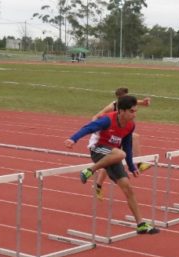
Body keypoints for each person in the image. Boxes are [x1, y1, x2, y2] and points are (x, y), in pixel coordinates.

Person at [64, 95, 159, 235]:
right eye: (131, 111)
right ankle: (90, 170)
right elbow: (88, 128)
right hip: (97, 149)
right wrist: (73, 139)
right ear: (121, 111)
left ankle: (140, 224)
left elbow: (127, 146)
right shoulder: (107, 120)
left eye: (136, 111)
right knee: (120, 155)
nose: (135, 114)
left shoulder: (130, 125)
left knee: (128, 187)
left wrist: (132, 168)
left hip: (112, 155)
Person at [88, 87, 151, 200]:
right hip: (110, 134)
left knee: (110, 162)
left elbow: (138, 102)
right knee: (135, 137)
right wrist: (95, 127)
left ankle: (98, 185)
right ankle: (139, 164)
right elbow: (96, 116)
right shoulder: (113, 106)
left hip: (120, 134)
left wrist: (145, 102)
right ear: (119, 99)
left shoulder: (128, 102)